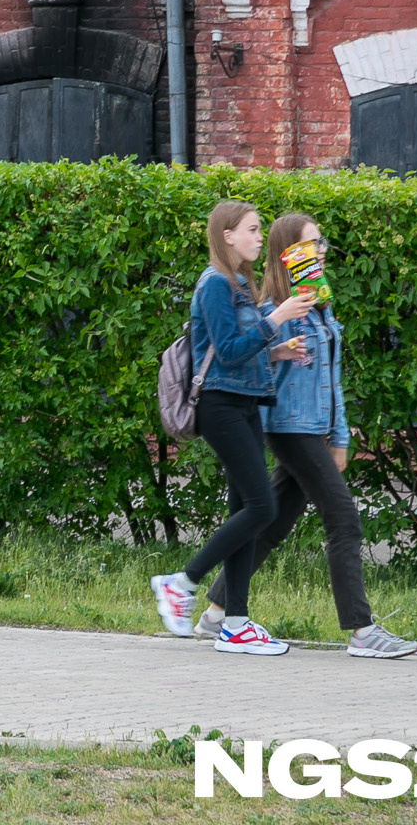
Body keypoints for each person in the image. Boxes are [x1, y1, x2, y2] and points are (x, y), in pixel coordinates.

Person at [248, 214, 417, 659]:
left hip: (315, 430)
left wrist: (340, 436)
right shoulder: (273, 311)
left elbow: (333, 380)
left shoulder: (320, 307)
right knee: (344, 519)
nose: (321, 251)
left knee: (272, 526)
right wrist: (276, 346)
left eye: (322, 243)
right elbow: (243, 363)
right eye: (312, 245)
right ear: (289, 253)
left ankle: (216, 609)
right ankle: (362, 632)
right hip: (288, 428)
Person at [149, 200, 310, 656]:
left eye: (260, 230)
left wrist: (278, 351)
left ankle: (235, 624)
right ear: (228, 236)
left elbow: (239, 351)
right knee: (262, 508)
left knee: (246, 511)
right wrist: (276, 319)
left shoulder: (241, 283)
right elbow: (230, 348)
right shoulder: (215, 285)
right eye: (253, 230)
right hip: (219, 407)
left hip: (245, 404)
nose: (261, 238)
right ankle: (181, 582)